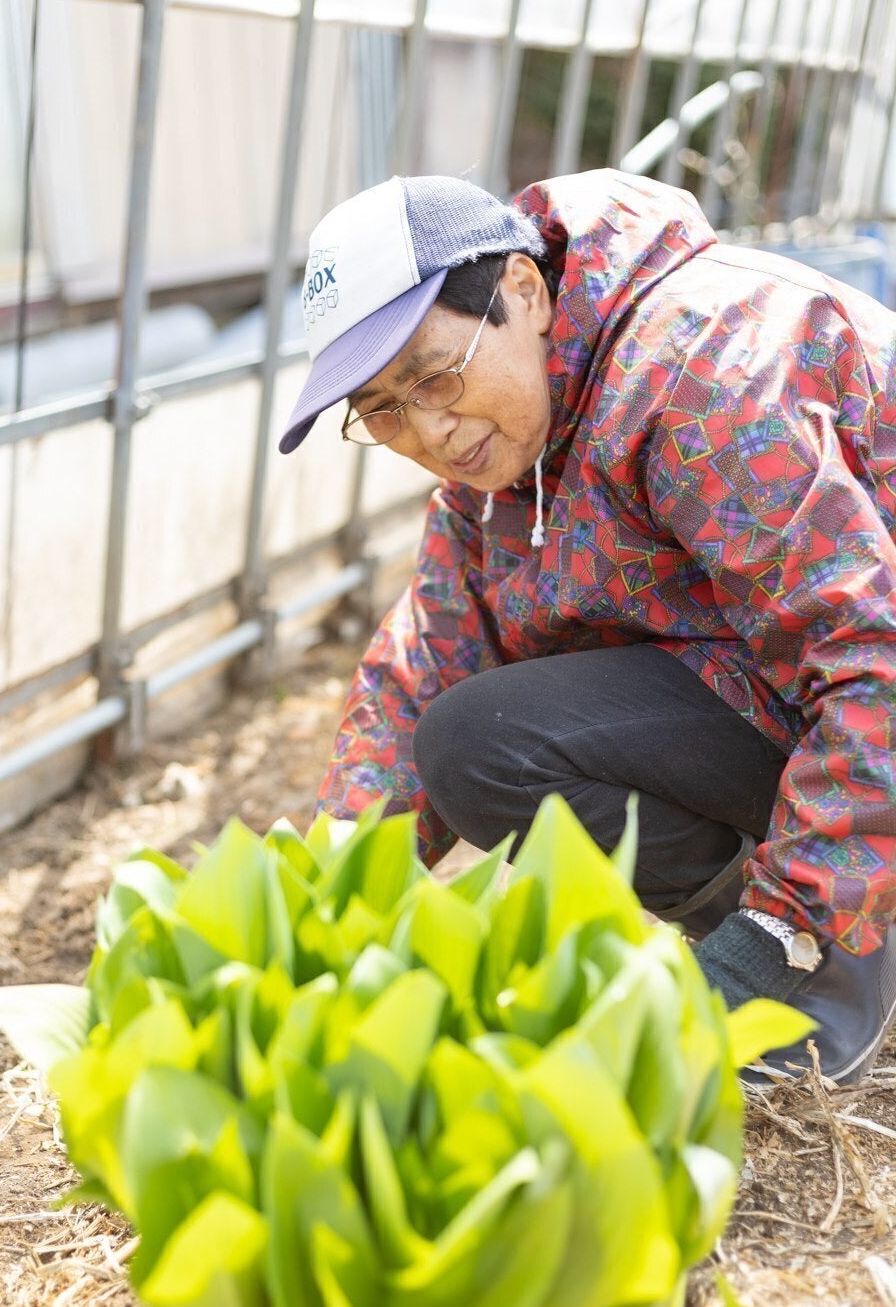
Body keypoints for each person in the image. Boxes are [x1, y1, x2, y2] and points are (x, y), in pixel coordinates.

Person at [278, 170, 896, 1087]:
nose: (430, 431)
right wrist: (330, 897)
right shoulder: (505, 447)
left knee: (491, 738)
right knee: (476, 741)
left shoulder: (697, 378)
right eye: (382, 410)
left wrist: (778, 937)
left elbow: (873, 659)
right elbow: (428, 659)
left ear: (524, 292)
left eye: (433, 376)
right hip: (793, 692)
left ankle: (825, 958)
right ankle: (797, 913)